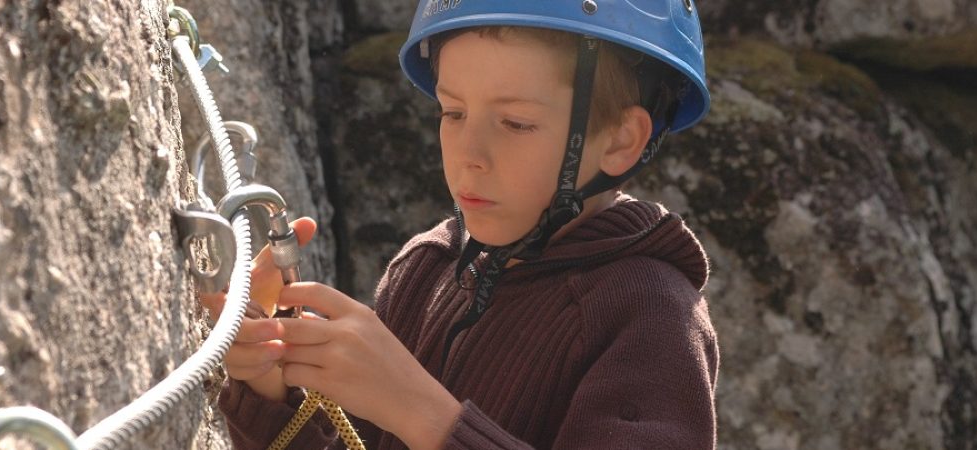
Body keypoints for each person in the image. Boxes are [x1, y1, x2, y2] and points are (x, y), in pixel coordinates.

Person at [201, 0, 719, 448]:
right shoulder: (428, 266)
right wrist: (272, 392)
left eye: (515, 122)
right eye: (452, 113)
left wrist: (422, 414)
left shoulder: (651, 318)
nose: (469, 155)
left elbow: (414, 413)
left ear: (621, 139)